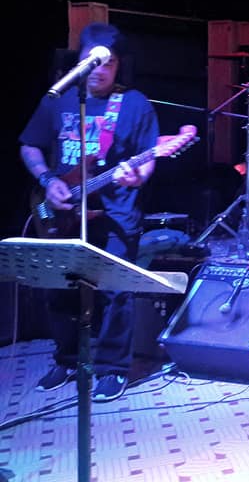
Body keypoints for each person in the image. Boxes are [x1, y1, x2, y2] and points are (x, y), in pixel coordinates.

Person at [20, 22, 159, 403]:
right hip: (60, 209)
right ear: (80, 61)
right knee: (59, 289)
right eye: (94, 62)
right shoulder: (58, 99)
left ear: (118, 66)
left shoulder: (134, 104)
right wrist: (48, 179)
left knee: (116, 292)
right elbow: (30, 146)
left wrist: (136, 177)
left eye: (109, 63)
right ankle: (66, 359)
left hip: (116, 214)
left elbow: (148, 158)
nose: (100, 70)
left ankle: (112, 369)